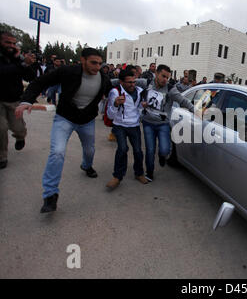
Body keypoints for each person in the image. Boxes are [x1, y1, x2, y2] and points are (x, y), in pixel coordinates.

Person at [15, 48, 112, 213]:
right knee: (57, 152)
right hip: (65, 118)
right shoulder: (68, 71)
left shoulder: (103, 78)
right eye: (93, 63)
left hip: (87, 120)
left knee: (90, 150)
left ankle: (86, 166)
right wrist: (27, 100)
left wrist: (117, 100)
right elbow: (41, 81)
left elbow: (112, 92)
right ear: (82, 60)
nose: (97, 67)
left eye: (99, 63)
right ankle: (50, 195)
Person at [141, 64, 194, 181]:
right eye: (163, 76)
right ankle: (149, 173)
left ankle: (162, 156)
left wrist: (196, 110)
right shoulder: (147, 83)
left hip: (162, 125)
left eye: (167, 77)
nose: (165, 80)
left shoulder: (170, 89)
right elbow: (131, 82)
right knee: (150, 150)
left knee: (165, 150)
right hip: (148, 123)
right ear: (156, 74)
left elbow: (183, 100)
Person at [106, 69, 148, 189]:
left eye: (134, 82)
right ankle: (117, 177)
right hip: (120, 125)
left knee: (138, 151)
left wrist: (143, 107)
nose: (132, 85)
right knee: (123, 148)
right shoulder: (115, 92)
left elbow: (139, 109)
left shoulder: (140, 91)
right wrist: (115, 104)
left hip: (134, 125)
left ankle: (139, 173)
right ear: (121, 82)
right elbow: (110, 115)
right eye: (129, 82)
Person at [0, 31, 36, 169]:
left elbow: (31, 77)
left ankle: (20, 137)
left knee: (18, 128)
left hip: (14, 100)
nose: (11, 46)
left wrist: (25, 63)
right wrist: (21, 64)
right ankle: (2, 156)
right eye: (7, 42)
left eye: (14, 43)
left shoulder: (17, 59)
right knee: (1, 128)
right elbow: (3, 72)